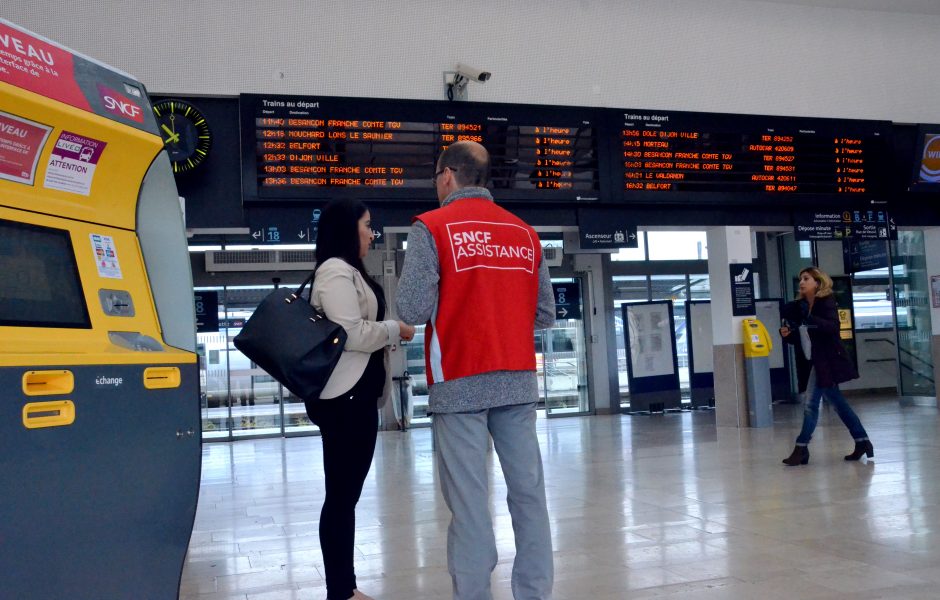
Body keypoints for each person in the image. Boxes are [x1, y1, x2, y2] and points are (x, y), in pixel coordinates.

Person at [396, 141, 556, 600]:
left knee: (469, 505)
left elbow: (412, 307)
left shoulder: (432, 227)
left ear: (448, 176)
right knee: (528, 495)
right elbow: (545, 314)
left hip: (460, 381)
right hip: (518, 380)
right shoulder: (525, 233)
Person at [306, 198, 416, 600]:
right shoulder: (335, 271)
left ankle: (345, 587)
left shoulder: (350, 271)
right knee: (341, 496)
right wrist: (393, 329)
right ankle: (341, 589)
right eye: (367, 225)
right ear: (347, 229)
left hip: (359, 397)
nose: (372, 232)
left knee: (344, 496)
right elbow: (349, 333)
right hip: (343, 401)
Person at [779, 266, 872, 466]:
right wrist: (789, 335)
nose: (802, 282)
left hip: (827, 361)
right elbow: (804, 337)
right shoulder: (802, 305)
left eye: (806, 278)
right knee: (839, 404)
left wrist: (809, 317)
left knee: (810, 404)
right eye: (800, 279)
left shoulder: (825, 302)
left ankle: (801, 447)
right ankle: (862, 441)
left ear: (817, 282)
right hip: (814, 359)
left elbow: (831, 327)